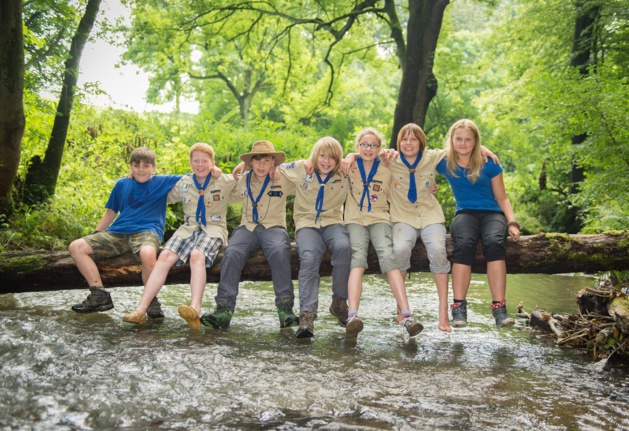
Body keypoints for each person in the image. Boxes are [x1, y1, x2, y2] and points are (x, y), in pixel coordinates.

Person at [122, 143, 237, 328]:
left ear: (212, 163)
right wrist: (135, 178)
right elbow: (155, 188)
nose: (200, 164)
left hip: (213, 228)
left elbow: (248, 181)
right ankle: (140, 310)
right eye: (196, 161)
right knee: (165, 255)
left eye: (205, 161)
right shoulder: (183, 183)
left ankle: (195, 309)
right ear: (190, 163)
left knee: (196, 255)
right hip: (189, 228)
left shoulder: (223, 180)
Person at [68, 147, 182, 316]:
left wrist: (215, 171)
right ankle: (99, 294)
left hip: (147, 231)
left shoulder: (162, 182)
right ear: (130, 166)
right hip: (118, 232)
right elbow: (111, 212)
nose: (141, 170)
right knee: (76, 246)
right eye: (136, 165)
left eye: (146, 166)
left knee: (148, 253)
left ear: (154, 167)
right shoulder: (122, 184)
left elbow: (195, 176)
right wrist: (97, 233)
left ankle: (151, 301)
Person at [200, 140, 299, 330]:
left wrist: (281, 167)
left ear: (273, 162)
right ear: (251, 162)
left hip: (274, 227)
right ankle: (223, 310)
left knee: (279, 250)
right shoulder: (243, 179)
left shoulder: (283, 178)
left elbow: (307, 169)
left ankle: (285, 309)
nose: (261, 165)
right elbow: (224, 190)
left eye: (267, 160)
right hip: (248, 228)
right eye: (257, 160)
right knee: (231, 253)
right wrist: (221, 172)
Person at [436, 119, 520, 328]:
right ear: (452, 140)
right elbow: (414, 154)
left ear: (475, 142)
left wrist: (512, 222)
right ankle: (459, 309)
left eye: (468, 140)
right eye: (459, 139)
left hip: (493, 213)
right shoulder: (444, 162)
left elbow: (503, 198)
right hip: (465, 213)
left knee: (494, 243)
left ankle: (499, 310)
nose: (463, 143)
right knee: (464, 245)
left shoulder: (489, 163)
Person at [343, 127, 424, 339]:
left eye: (373, 145)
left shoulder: (387, 167)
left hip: (379, 219)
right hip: (354, 220)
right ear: (357, 146)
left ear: (380, 148)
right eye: (364, 145)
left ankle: (406, 315)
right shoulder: (349, 165)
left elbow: (410, 174)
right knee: (357, 258)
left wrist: (429, 188)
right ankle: (353, 315)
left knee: (388, 256)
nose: (368, 149)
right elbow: (321, 162)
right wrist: (349, 156)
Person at [280, 137, 350, 338]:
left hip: (333, 221)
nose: (326, 161)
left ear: (339, 160)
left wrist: (351, 157)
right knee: (309, 257)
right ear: (315, 155)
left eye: (332, 158)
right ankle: (307, 314)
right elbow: (273, 165)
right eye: (322, 156)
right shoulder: (302, 167)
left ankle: (339, 302)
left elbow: (371, 158)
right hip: (307, 223)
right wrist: (244, 164)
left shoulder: (345, 172)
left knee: (344, 247)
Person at [388, 123, 452, 332]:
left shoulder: (431, 157)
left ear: (421, 142)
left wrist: (484, 150)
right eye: (404, 139)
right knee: (399, 250)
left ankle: (443, 313)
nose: (409, 143)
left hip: (429, 215)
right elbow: (363, 155)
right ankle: (401, 309)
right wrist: (351, 157)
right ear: (399, 143)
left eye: (413, 139)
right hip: (402, 217)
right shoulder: (389, 160)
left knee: (437, 249)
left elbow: (460, 148)